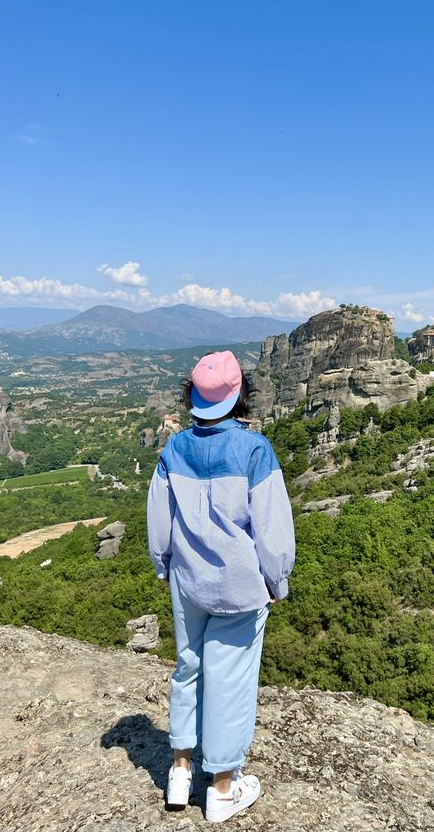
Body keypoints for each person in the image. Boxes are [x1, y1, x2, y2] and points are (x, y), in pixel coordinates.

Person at [147, 349, 295, 823]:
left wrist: (163, 563)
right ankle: (224, 789)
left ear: (191, 397)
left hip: (187, 581)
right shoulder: (255, 451)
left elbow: (158, 521)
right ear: (239, 397)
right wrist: (277, 579)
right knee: (230, 680)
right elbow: (272, 530)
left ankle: (179, 772)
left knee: (188, 667)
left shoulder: (174, 450)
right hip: (239, 588)